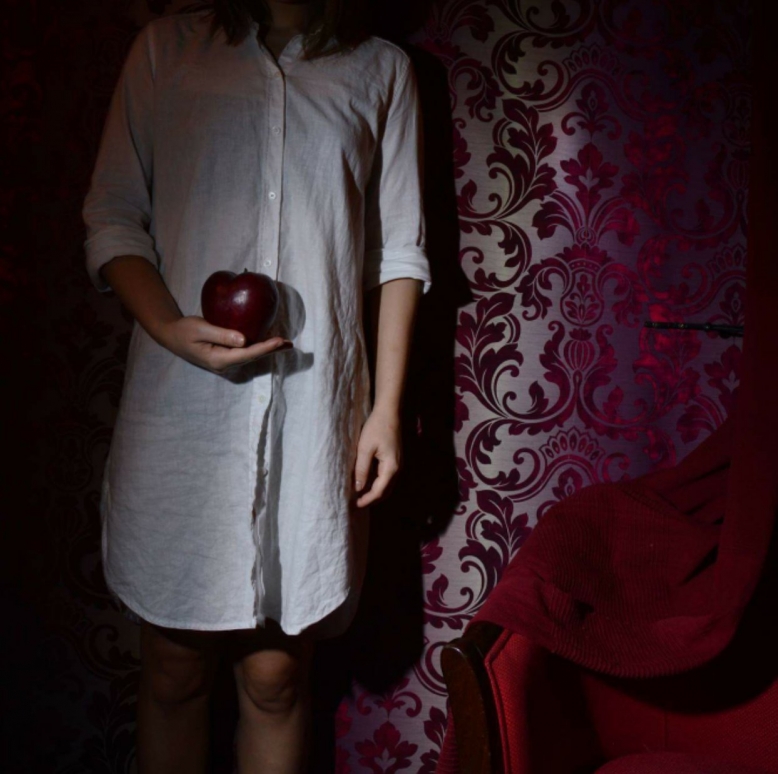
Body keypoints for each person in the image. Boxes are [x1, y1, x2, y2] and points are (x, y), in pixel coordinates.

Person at [81, 0, 432, 771]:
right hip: (183, 407)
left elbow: (400, 253)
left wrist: (385, 411)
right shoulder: (167, 51)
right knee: (173, 669)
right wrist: (168, 326)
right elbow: (113, 217)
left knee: (277, 678)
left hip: (313, 407)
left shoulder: (382, 70)